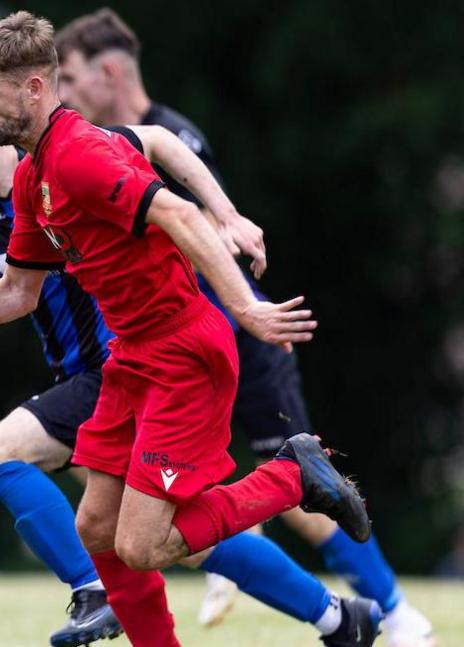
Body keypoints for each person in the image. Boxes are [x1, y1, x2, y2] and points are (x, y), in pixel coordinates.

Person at [0, 13, 378, 647]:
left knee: (141, 544)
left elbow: (178, 214)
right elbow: (19, 294)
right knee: (97, 530)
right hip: (130, 361)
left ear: (33, 88)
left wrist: (243, 308)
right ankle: (325, 617)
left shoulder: (79, 154)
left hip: (183, 354)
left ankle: (295, 478)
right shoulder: (31, 176)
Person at [53, 9, 437, 646]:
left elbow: (193, 225)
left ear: (110, 71)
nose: (64, 94)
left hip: (234, 339)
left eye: (69, 77)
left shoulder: (162, 135)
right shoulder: (102, 147)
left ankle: (394, 613)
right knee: (154, 516)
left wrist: (227, 233)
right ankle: (341, 617)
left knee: (301, 504)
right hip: (180, 344)